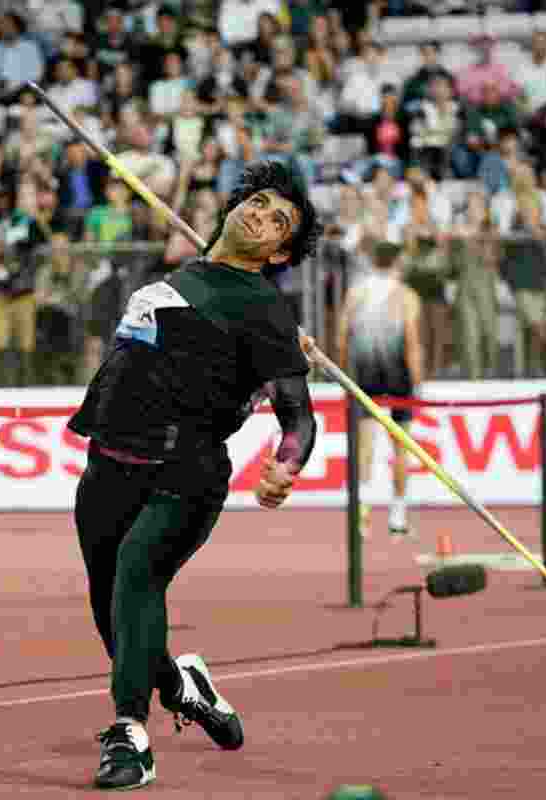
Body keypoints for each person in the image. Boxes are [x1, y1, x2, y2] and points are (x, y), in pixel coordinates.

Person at [67, 161, 320, 791]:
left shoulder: (264, 308)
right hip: (108, 461)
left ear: (280, 250)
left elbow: (299, 417)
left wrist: (284, 466)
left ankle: (129, 734)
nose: (261, 214)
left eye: (277, 220)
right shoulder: (186, 273)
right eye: (257, 202)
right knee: (116, 613)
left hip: (186, 470)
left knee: (135, 573)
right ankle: (183, 686)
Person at [334, 231, 425, 540]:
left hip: (364, 375)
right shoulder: (406, 295)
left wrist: (346, 373)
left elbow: (340, 336)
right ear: (397, 261)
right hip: (398, 376)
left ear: (373, 261)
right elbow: (412, 341)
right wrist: (418, 381)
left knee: (365, 447)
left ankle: (361, 519)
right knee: (401, 447)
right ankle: (398, 519)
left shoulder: (356, 293)